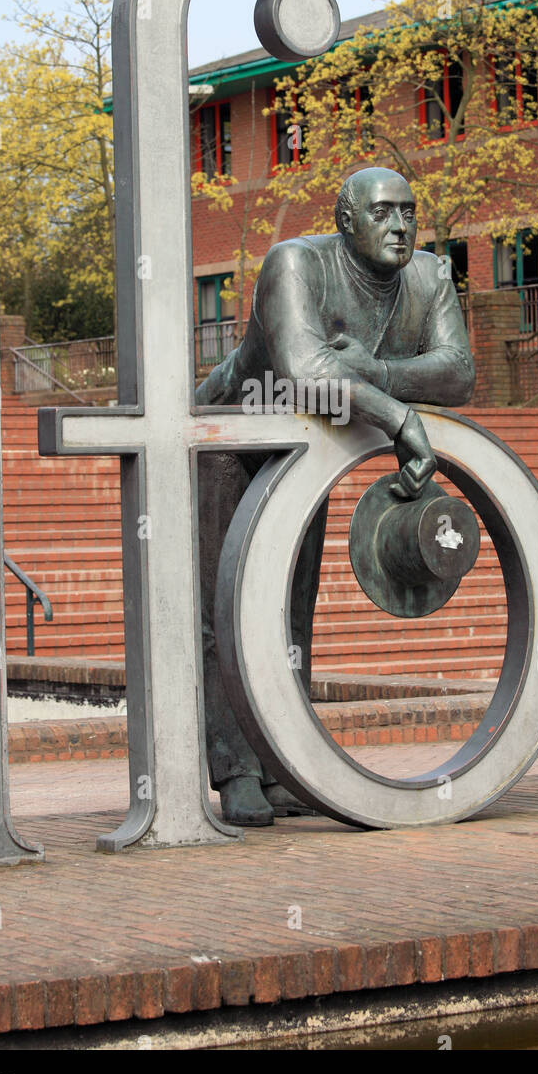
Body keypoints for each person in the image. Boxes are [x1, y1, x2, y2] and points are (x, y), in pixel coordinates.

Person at [196, 166, 475, 826]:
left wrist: (367, 371)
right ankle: (236, 769)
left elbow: (458, 372)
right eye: (381, 213)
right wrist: (401, 414)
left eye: (407, 211)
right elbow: (303, 369)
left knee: (290, 611)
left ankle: (284, 763)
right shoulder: (294, 262)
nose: (400, 225)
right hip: (234, 432)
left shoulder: (430, 277)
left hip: (307, 445)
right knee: (226, 608)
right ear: (344, 221)